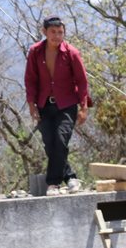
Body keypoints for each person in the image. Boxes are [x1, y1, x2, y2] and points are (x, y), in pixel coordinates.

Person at [24, 16, 89, 196]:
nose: (57, 36)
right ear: (44, 32)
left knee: (61, 139)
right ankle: (70, 177)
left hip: (67, 104)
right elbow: (30, 80)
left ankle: (53, 183)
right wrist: (32, 104)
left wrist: (83, 108)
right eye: (53, 32)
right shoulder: (35, 52)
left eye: (60, 32)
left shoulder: (71, 53)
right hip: (44, 104)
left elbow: (82, 81)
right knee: (50, 143)